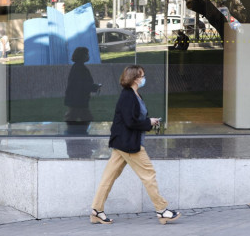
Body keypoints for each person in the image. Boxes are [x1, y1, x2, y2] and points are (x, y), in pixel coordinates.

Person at [90, 65, 180, 225]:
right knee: (149, 174)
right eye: (142, 76)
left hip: (123, 143)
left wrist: (148, 120)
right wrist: (148, 122)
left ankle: (96, 211)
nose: (144, 78)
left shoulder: (133, 94)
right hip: (128, 144)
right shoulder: (128, 96)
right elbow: (130, 121)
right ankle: (162, 210)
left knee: (109, 177)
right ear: (135, 78)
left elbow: (133, 118)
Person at [64, 47, 101, 135]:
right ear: (82, 56)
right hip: (78, 99)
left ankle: (75, 135)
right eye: (86, 54)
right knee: (84, 117)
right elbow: (82, 85)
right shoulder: (80, 68)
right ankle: (78, 136)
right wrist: (95, 87)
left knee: (74, 116)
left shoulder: (78, 67)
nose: (88, 56)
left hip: (77, 99)